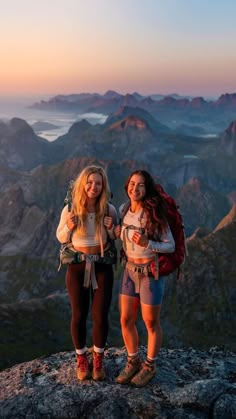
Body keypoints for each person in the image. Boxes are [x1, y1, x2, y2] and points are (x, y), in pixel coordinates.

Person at [56, 166, 118, 381]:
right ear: (83, 184)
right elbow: (61, 237)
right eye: (90, 182)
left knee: (100, 314)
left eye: (98, 183)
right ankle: (82, 359)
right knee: (79, 314)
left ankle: (98, 359)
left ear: (103, 187)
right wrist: (69, 226)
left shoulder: (109, 209)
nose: (93, 187)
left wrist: (111, 229)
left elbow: (114, 238)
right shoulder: (71, 209)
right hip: (77, 267)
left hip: (102, 267)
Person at [114, 170, 175, 387]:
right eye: (132, 183)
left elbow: (170, 245)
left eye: (140, 185)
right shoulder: (123, 210)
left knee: (150, 322)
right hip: (129, 271)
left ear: (146, 189)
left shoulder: (153, 214)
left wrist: (148, 243)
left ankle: (150, 365)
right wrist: (115, 231)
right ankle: (133, 360)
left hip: (151, 272)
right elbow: (122, 236)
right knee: (126, 319)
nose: (135, 188)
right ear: (127, 185)